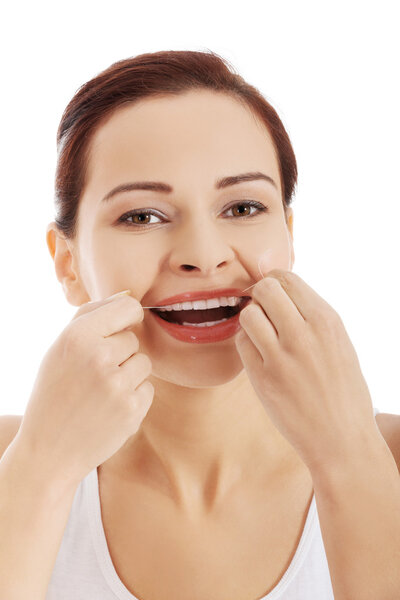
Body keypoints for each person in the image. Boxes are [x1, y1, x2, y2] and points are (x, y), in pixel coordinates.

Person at [0, 49, 391, 600]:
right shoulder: (14, 465)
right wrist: (39, 474)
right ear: (67, 264)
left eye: (243, 208)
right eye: (142, 216)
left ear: (289, 234)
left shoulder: (387, 459)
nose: (204, 256)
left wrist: (349, 459)